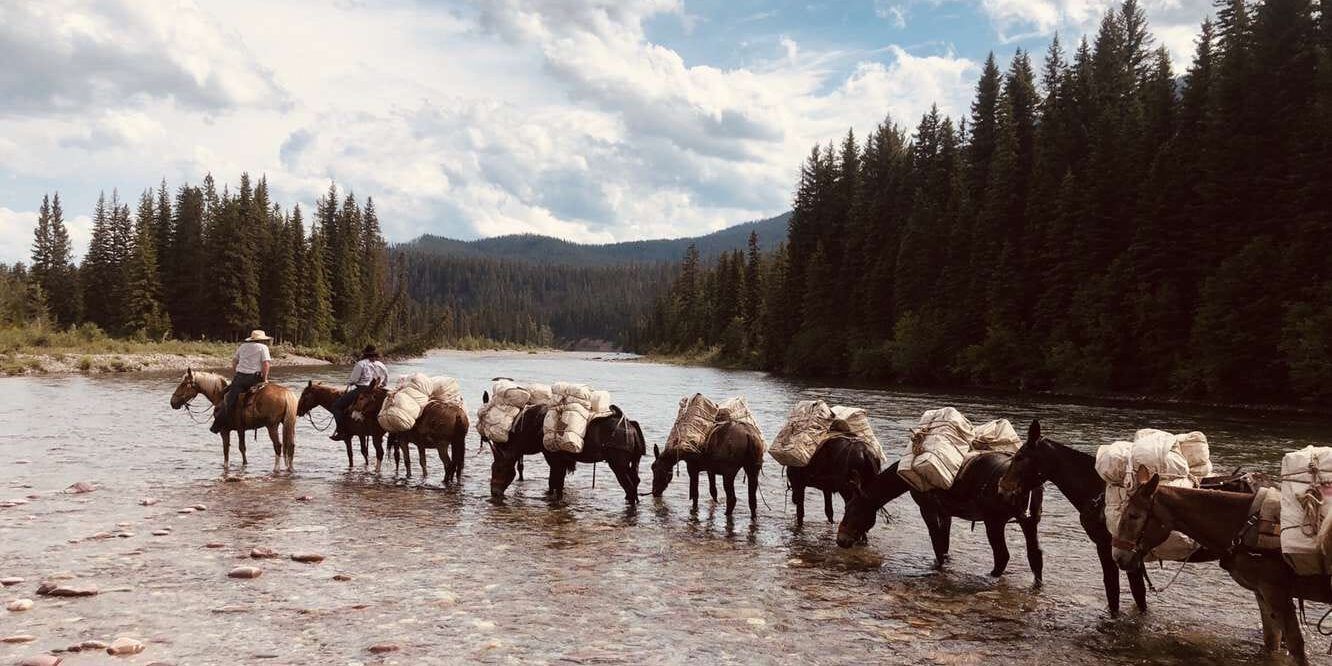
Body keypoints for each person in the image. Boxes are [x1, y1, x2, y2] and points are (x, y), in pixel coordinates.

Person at [210, 329, 273, 433]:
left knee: (228, 400)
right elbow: (266, 364)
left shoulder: (242, 346)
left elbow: (234, 361)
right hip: (255, 378)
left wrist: (236, 374)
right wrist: (265, 379)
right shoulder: (263, 347)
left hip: (240, 378)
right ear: (261, 339)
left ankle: (217, 425)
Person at [330, 344, 389, 440]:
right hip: (378, 390)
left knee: (336, 406)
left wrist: (350, 382)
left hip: (363, 389)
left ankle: (342, 432)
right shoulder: (381, 365)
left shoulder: (361, 364)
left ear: (365, 354)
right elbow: (386, 381)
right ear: (375, 355)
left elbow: (353, 379)